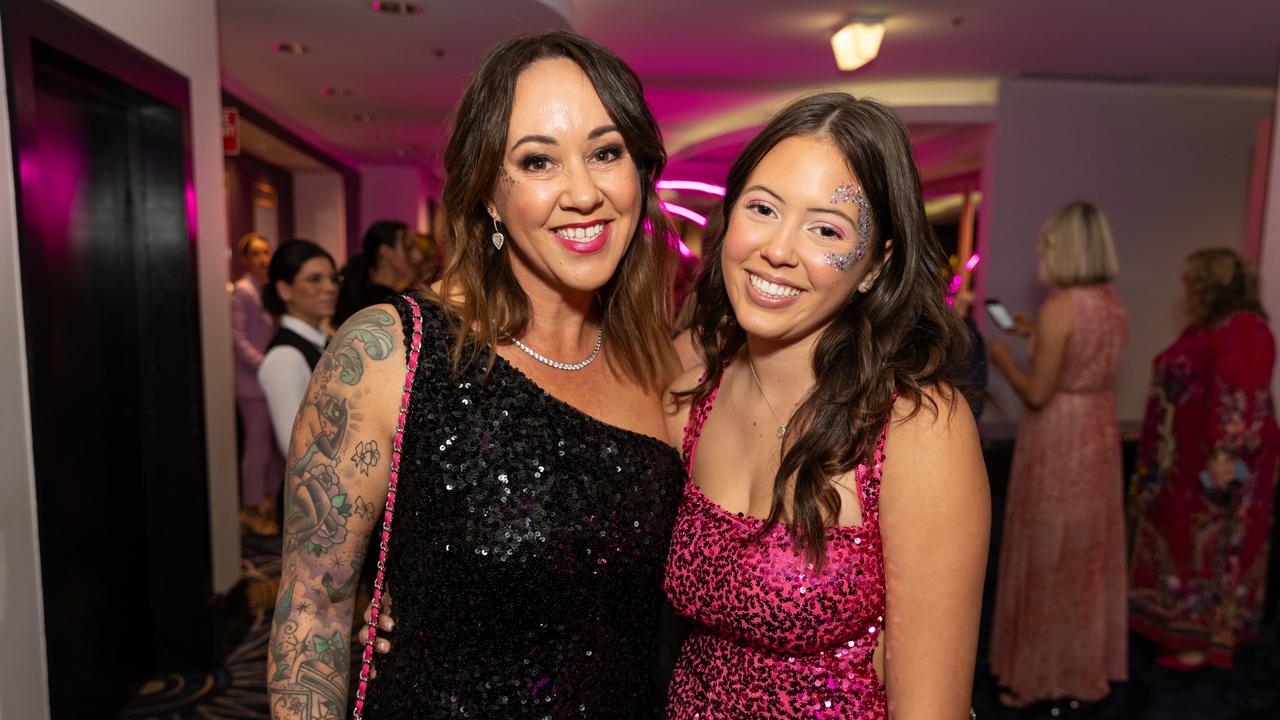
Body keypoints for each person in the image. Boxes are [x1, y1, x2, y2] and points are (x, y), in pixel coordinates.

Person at [267, 31, 684, 719]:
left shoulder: (660, 365)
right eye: (538, 161)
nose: (583, 192)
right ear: (488, 191)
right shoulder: (389, 353)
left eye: (605, 152)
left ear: (638, 171)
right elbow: (310, 610)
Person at [662, 93, 989, 719]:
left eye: (826, 229)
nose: (778, 251)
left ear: (874, 265)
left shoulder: (915, 426)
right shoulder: (690, 377)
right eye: (762, 209)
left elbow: (931, 710)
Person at [987, 201, 1129, 708]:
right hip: (1098, 430)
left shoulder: (1060, 307)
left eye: (1046, 244)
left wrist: (1003, 359)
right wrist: (1034, 333)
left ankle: (1039, 679)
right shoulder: (1110, 303)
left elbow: (1039, 391)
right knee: (1084, 558)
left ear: (1063, 248)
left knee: (1046, 556)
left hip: (1058, 439)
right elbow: (1082, 354)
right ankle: (1082, 666)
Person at [1129, 247, 1279, 670]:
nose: (1187, 291)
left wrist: (1223, 454)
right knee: (1184, 544)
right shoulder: (1205, 329)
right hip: (1183, 464)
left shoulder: (1244, 328)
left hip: (1215, 466)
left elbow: (1241, 396)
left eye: (1193, 283)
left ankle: (1205, 638)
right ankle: (1178, 630)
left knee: (1211, 547)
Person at [258, 240, 339, 457]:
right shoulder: (285, 357)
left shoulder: (324, 340)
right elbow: (296, 449)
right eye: (315, 279)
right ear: (284, 290)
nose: (330, 288)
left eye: (333, 279)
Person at [230, 232, 281, 535]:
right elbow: (238, 340)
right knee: (257, 448)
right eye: (257, 254)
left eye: (267, 252)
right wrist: (266, 365)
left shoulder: (267, 290)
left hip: (270, 382)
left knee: (274, 449)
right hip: (252, 384)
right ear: (246, 260)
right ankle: (250, 508)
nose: (263, 259)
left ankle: (271, 504)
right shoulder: (243, 292)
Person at [332, 220, 422, 326]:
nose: (418, 256)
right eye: (408, 247)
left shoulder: (400, 297)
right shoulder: (376, 305)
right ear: (386, 252)